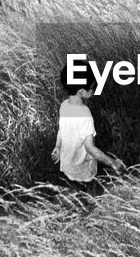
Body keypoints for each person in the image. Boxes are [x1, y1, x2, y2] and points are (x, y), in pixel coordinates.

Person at [52, 66, 125, 194]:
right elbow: (90, 148)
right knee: (92, 195)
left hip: (67, 166)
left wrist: (57, 147)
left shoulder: (64, 105)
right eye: (92, 87)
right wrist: (113, 162)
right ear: (81, 92)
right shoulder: (85, 115)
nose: (94, 90)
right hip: (84, 169)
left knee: (76, 194)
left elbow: (61, 129)